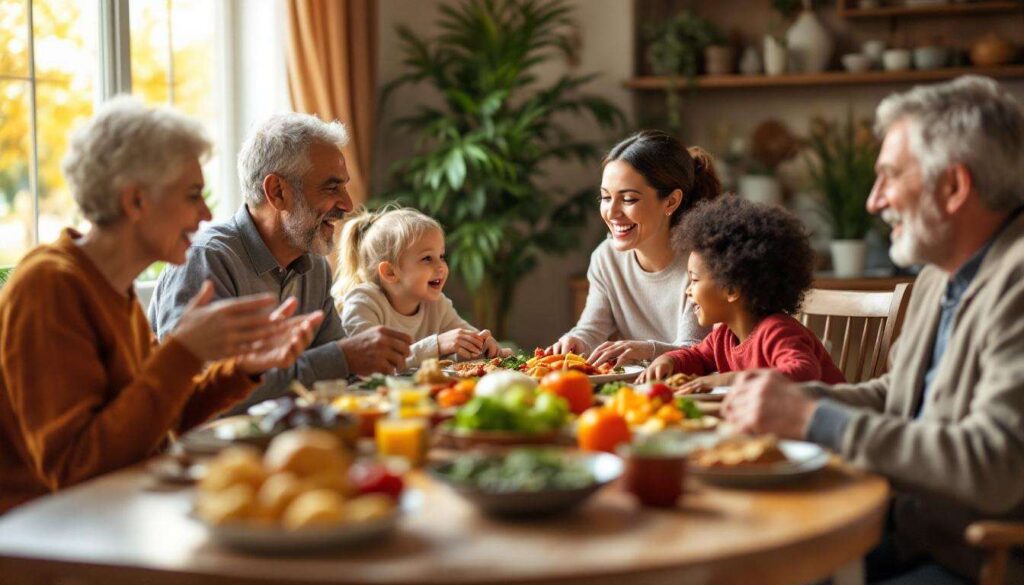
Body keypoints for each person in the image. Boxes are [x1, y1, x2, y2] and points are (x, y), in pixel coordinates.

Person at [723, 76, 1024, 584]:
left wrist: (814, 421)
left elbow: (992, 464)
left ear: (953, 187)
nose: (874, 200)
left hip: (979, 560)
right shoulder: (938, 275)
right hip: (907, 530)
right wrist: (795, 399)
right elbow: (900, 394)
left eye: (888, 176)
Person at [0, 98, 322, 513]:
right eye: (193, 195)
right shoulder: (49, 285)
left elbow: (154, 421)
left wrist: (243, 369)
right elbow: (75, 467)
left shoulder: (113, 289)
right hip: (43, 541)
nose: (205, 213)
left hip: (106, 515)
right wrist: (184, 351)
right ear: (136, 202)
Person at [148, 113, 412, 412]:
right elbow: (204, 398)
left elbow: (341, 375)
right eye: (331, 187)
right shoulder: (206, 259)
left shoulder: (315, 266)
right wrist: (341, 358)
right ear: (277, 192)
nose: (348, 205)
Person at [547, 130, 721, 366]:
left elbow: (695, 350)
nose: (612, 212)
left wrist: (646, 350)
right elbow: (591, 330)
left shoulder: (702, 261)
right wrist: (574, 341)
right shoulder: (606, 257)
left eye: (628, 199)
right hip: (638, 393)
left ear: (671, 201)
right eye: (606, 198)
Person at [640, 196, 844, 390]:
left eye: (694, 280)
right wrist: (667, 361)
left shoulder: (778, 332)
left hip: (831, 420)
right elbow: (697, 358)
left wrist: (727, 380)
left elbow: (803, 372)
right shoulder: (722, 337)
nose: (688, 291)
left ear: (731, 289)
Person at [333, 206, 505, 367]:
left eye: (442, 256)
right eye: (427, 258)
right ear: (390, 272)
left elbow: (461, 345)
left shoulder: (437, 305)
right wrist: (436, 345)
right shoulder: (363, 303)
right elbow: (369, 364)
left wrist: (484, 347)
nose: (441, 267)